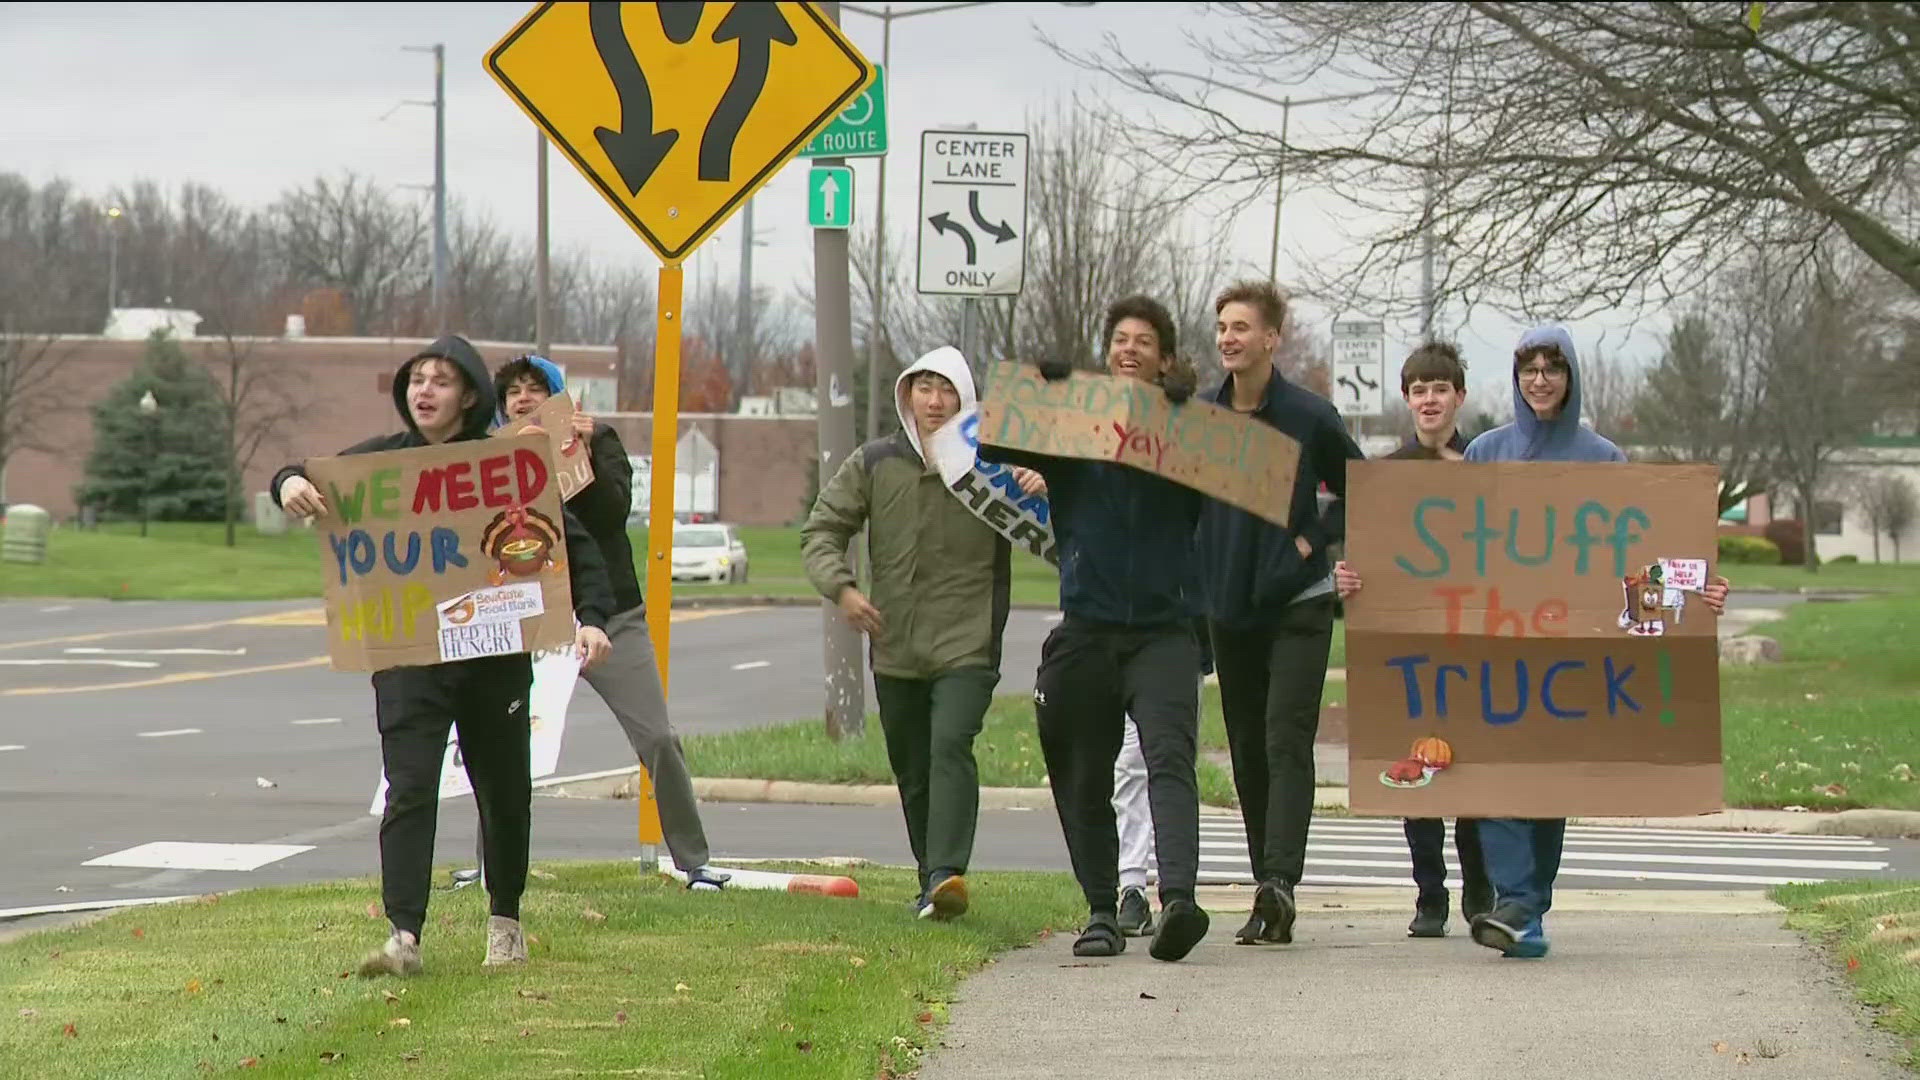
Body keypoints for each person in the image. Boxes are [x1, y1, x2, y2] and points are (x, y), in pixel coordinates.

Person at [1338, 325, 1730, 958]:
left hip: (1573, 654)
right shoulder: (1487, 454)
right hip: (1496, 647)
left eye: (1553, 368)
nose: (1540, 379)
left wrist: (1697, 589)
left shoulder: (1603, 460)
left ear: (1570, 377)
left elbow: (1642, 558)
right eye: (1529, 369)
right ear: (1517, 378)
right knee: (1499, 777)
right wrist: (1363, 579)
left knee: (1550, 785)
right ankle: (1513, 902)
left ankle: (1529, 910)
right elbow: (1446, 547)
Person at [272, 335, 616, 977]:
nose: (423, 391)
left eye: (440, 380)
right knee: (409, 790)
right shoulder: (380, 465)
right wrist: (289, 481)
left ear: (469, 396)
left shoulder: (506, 461)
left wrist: (591, 619)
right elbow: (298, 474)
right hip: (409, 659)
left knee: (505, 792)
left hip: (493, 659)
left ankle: (505, 920)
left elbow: (576, 544)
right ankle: (405, 935)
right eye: (416, 379)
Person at [984, 295, 1212, 963]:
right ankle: (1101, 910)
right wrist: (1040, 385)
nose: (1130, 349)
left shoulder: (1187, 432)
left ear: (1164, 358)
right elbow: (993, 436)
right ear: (1107, 353)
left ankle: (1178, 902)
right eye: (1120, 339)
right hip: (1088, 628)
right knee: (1082, 769)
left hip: (1165, 630)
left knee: (1170, 758)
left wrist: (1186, 409)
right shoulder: (1072, 428)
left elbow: (1248, 476)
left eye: (1145, 341)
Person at [494, 354, 731, 891]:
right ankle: (491, 868)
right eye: (513, 393)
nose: (523, 399)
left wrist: (583, 449)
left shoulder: (598, 444)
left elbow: (608, 515)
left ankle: (694, 863)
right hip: (531, 619)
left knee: (658, 738)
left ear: (559, 398)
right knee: (503, 746)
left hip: (611, 616)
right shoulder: (493, 459)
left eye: (536, 389)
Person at [801, 346, 1013, 921]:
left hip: (968, 638)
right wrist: (843, 588)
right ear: (907, 395)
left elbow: (1050, 521)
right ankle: (931, 884)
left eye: (946, 390)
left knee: (949, 745)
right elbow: (821, 530)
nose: (935, 401)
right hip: (894, 643)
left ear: (964, 399)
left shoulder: (991, 464)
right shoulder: (875, 463)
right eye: (925, 388)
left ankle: (947, 871)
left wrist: (1040, 487)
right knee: (913, 767)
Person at [1193, 281, 1362, 947]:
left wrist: (1310, 541)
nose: (1230, 338)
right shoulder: (1203, 416)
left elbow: (1360, 491)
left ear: (1272, 338)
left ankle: (1281, 882)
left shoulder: (1309, 416)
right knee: (1247, 749)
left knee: (1285, 739)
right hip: (1229, 607)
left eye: (1242, 328)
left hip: (1299, 602)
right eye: (1223, 329)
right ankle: (1267, 886)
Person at [1335, 342, 1492, 938]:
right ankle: (1430, 895)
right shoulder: (1385, 476)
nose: (1429, 399)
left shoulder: (1485, 467)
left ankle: (1480, 888)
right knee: (1416, 765)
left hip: (1473, 637)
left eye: (1439, 389)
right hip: (1407, 644)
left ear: (1458, 396)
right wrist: (1346, 578)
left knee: (1472, 768)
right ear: (1406, 399)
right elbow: (1361, 556)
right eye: (1418, 390)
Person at [1111, 618, 1214, 938]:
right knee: (1129, 764)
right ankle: (1132, 887)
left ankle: (1177, 892)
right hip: (1112, 637)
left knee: (1172, 765)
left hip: (1178, 641)